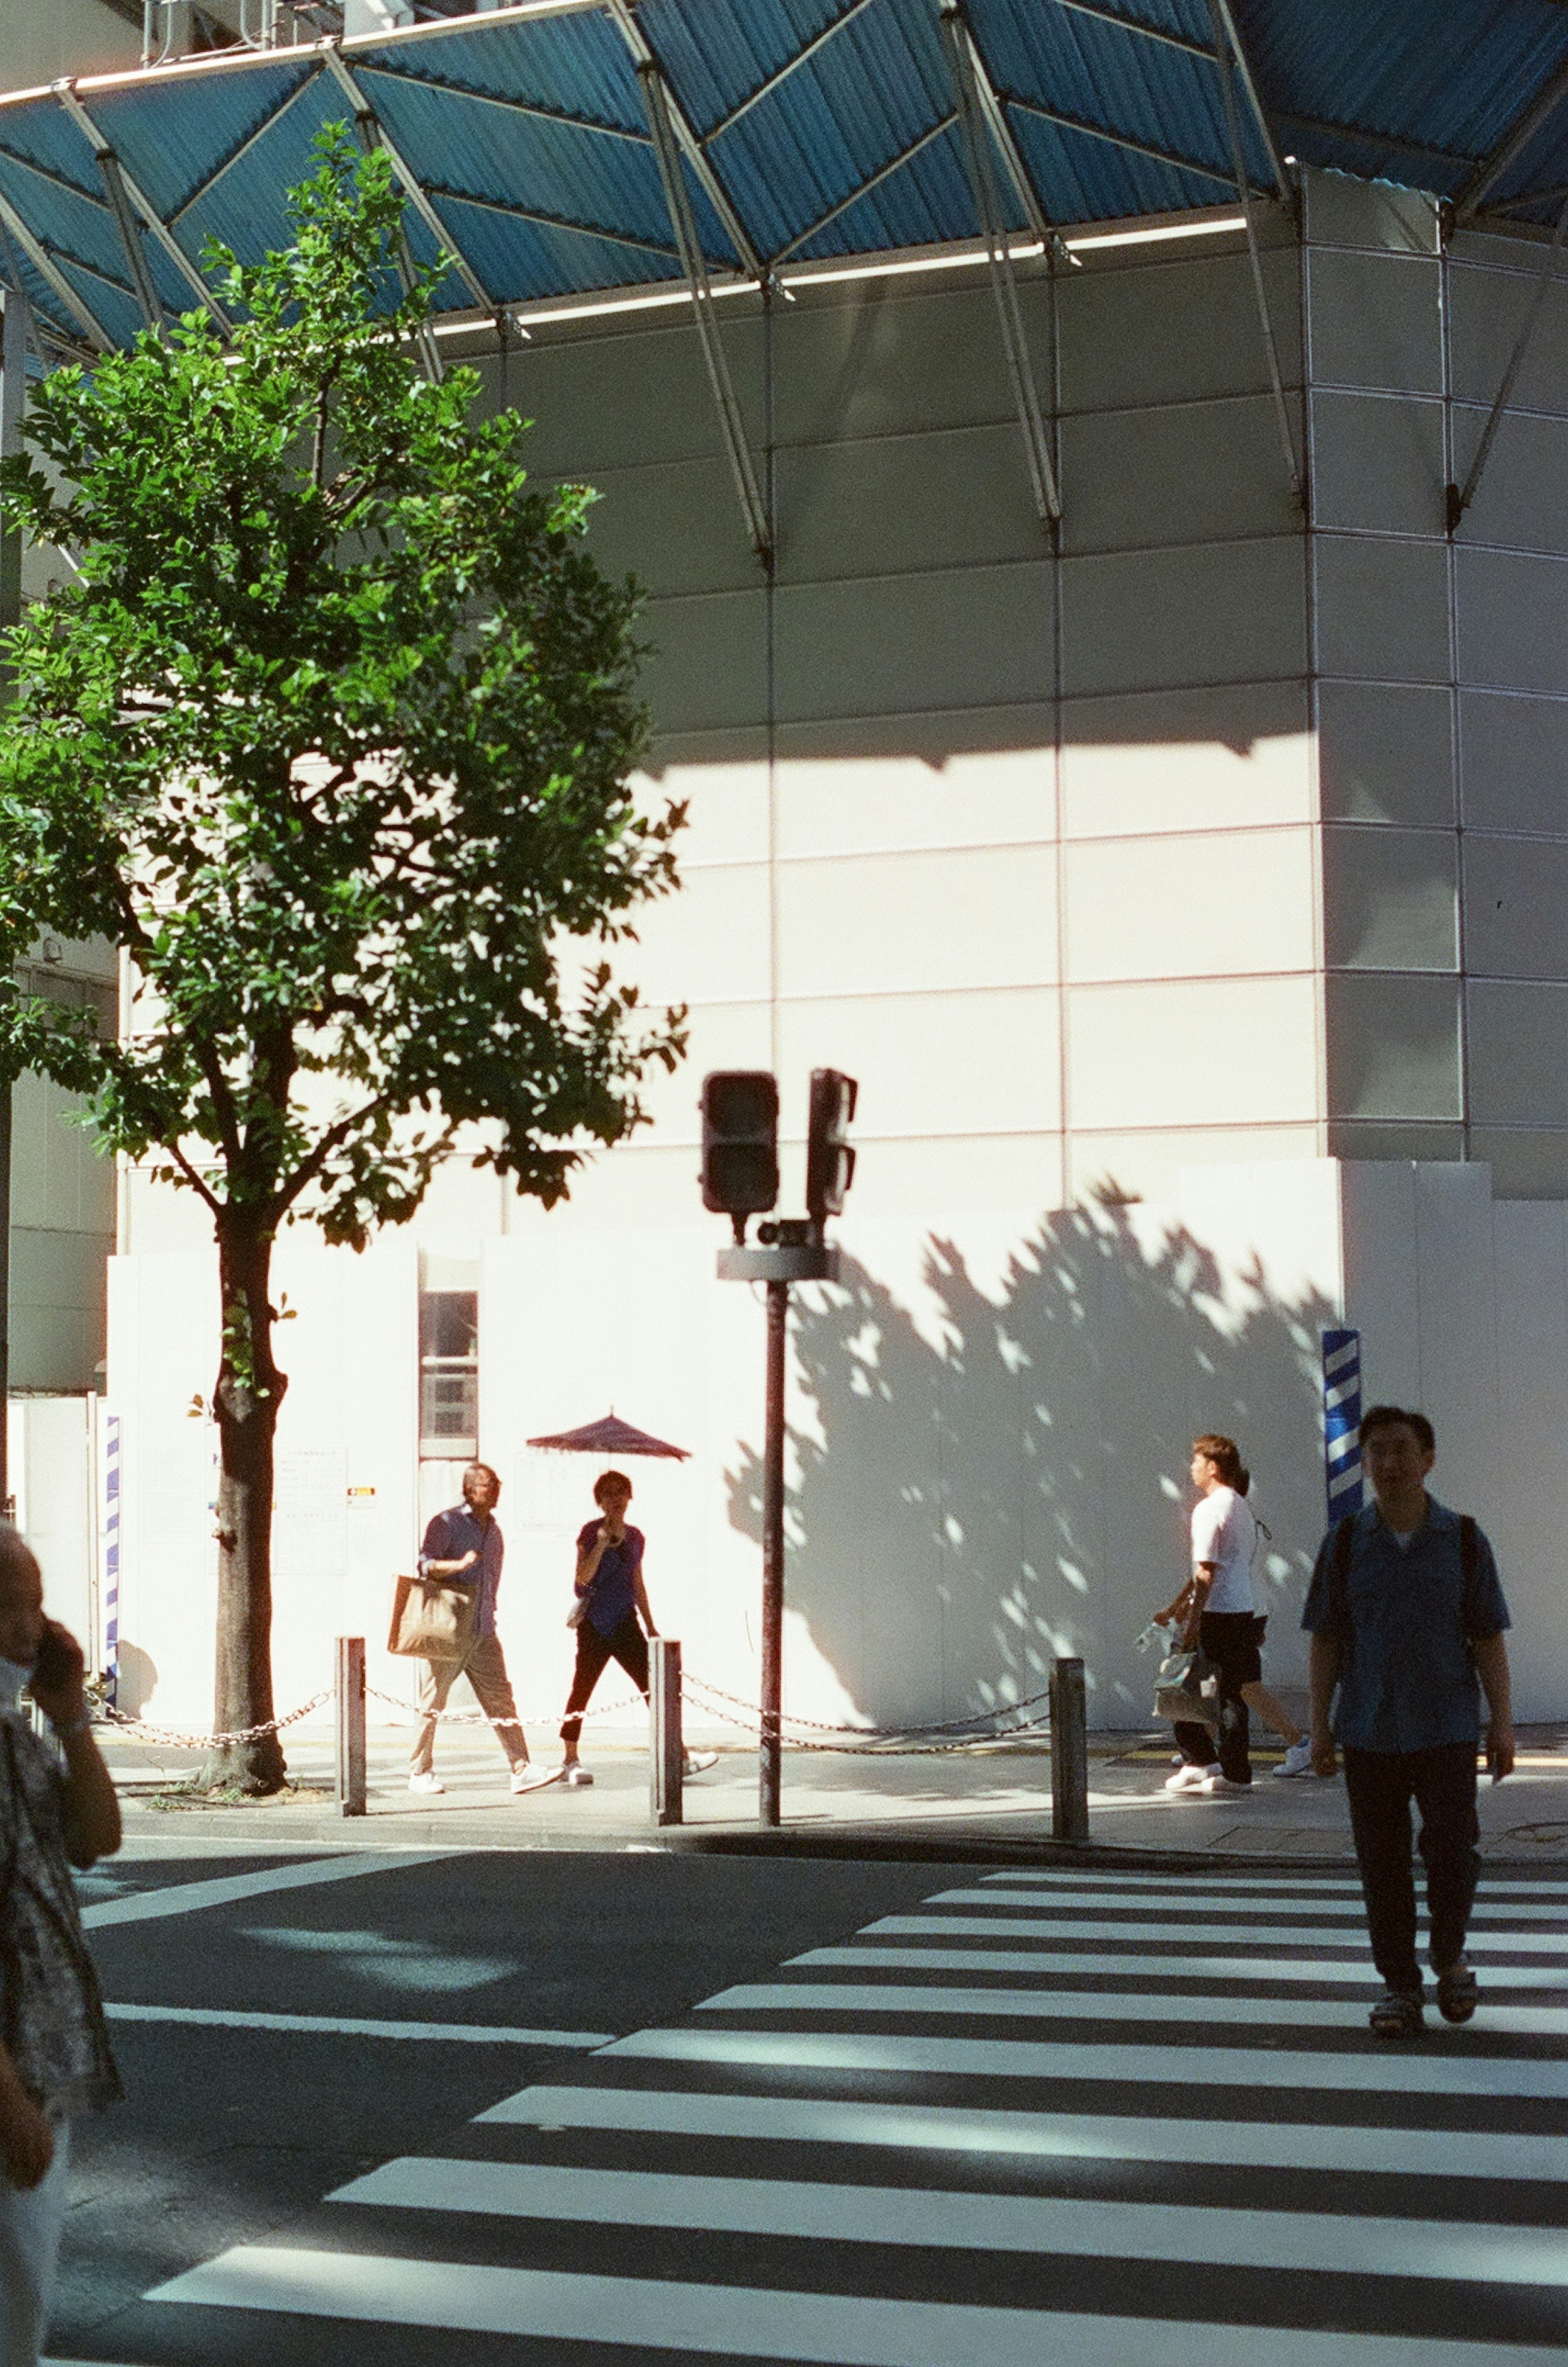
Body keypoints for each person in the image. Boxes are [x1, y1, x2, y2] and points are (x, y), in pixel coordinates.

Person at [1304, 1404, 1514, 2040]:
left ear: (1428, 1460)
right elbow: (1327, 1640)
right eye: (1378, 1453)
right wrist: (1319, 1726)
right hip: (1368, 1730)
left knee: (1453, 1854)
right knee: (1382, 1862)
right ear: (1365, 1465)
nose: (1390, 1463)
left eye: (1402, 1450)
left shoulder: (1466, 1540)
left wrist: (1501, 1724)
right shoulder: (1344, 1545)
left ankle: (1449, 1958)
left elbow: (1487, 1638)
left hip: (1446, 1728)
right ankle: (1400, 1984)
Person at [0, 1522, 122, 2367]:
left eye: (36, 1604)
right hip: (9, 2073)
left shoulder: (19, 1740)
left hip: (37, 2063)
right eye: (9, 1603)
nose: (30, 1626)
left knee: (23, 2296)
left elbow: (97, 1836)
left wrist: (72, 1715)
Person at [1156, 1434, 1316, 1796]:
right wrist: (1177, 1607)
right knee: (1228, 1692)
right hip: (1240, 1611)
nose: (1192, 1469)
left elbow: (1205, 1573)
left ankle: (1202, 1758)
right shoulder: (1241, 1507)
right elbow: (1212, 1569)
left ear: (1213, 1467)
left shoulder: (1209, 1509)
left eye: (1196, 1462)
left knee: (1181, 1685)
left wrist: (1191, 1623)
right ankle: (1225, 1767)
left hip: (1214, 1614)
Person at [557, 1470, 716, 1787]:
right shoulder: (590, 1533)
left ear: (630, 1497)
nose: (616, 1498)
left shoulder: (637, 1538)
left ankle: (678, 1756)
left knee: (655, 1688)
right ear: (599, 1501)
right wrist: (601, 1545)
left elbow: (637, 1582)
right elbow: (582, 1579)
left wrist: (650, 1624)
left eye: (622, 1492)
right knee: (582, 1688)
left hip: (625, 1620)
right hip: (595, 1623)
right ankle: (570, 1760)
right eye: (609, 1493)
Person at [409, 1464, 549, 1796]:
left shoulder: (495, 1531)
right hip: (450, 1627)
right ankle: (419, 1771)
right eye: (489, 1485)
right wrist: (458, 1566)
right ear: (470, 1489)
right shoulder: (447, 1523)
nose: (496, 1489)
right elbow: (425, 1565)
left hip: (484, 1629)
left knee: (501, 1699)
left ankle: (521, 1768)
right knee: (433, 1699)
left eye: (497, 1483)